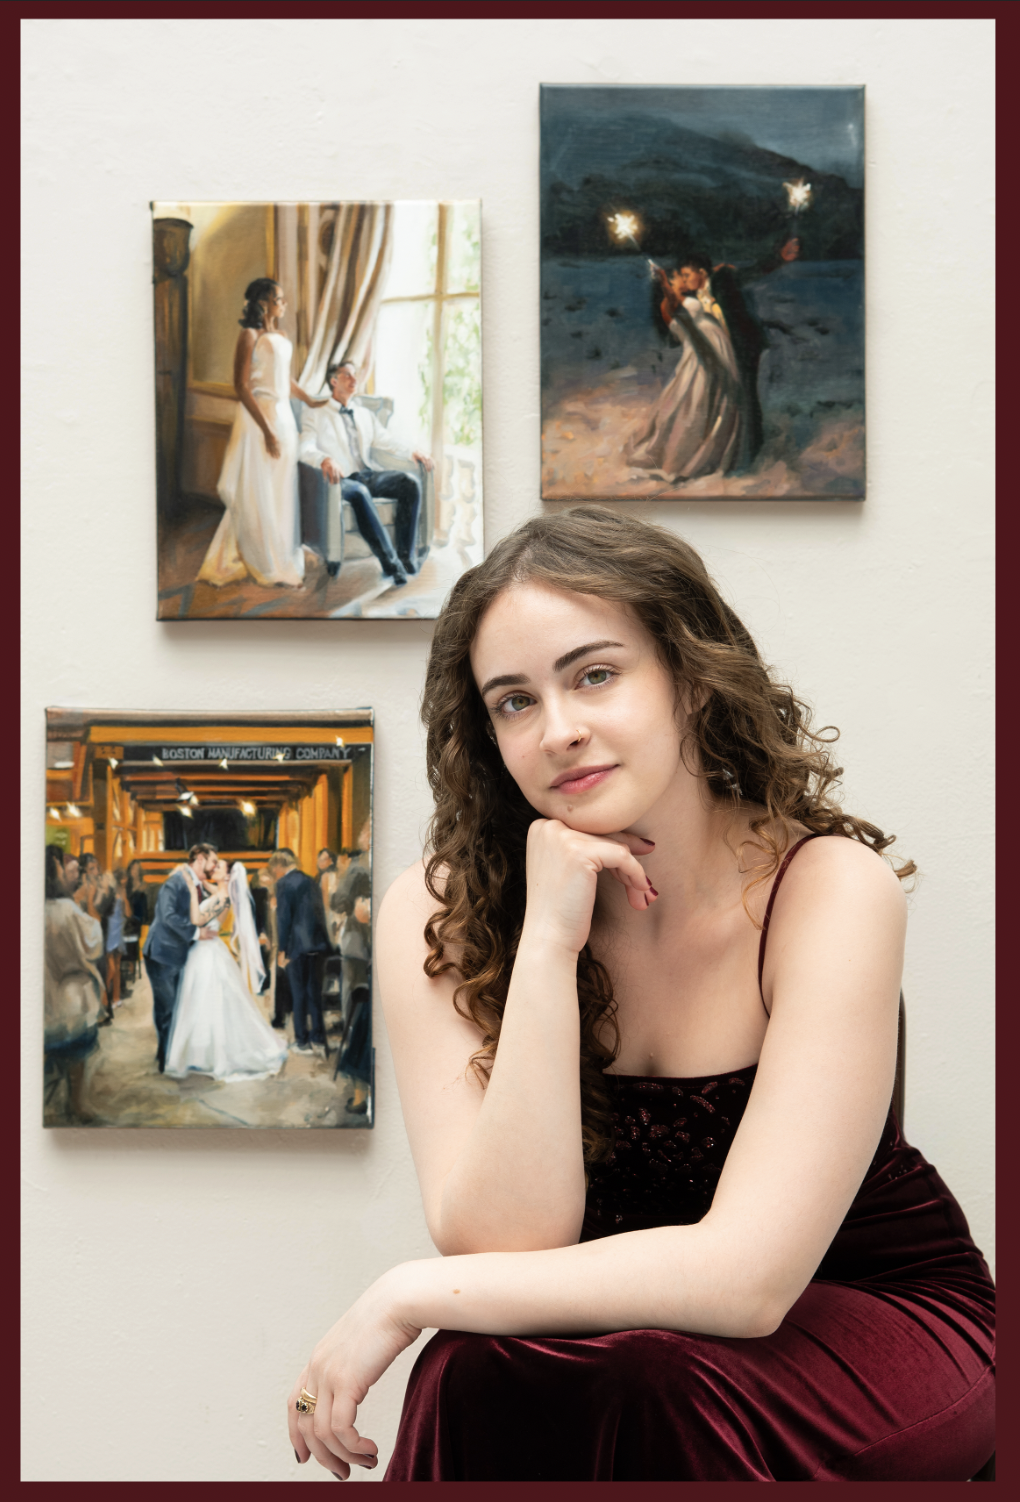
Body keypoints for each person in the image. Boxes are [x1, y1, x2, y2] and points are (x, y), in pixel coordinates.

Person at [287, 509, 994, 1483]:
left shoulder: (825, 888)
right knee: (468, 1368)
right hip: (629, 1335)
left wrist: (407, 1292)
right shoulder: (434, 912)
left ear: (691, 675)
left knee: (647, 1376)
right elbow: (504, 1243)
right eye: (514, 701)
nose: (559, 728)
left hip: (868, 1309)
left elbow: (748, 1281)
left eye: (595, 674)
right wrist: (546, 944)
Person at [198, 279, 327, 588]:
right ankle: (263, 558)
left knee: (281, 489)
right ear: (263, 303)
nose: (283, 304)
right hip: (259, 419)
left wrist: (308, 399)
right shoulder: (249, 335)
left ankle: (281, 551)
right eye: (278, 299)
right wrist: (267, 429)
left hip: (283, 418)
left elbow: (285, 379)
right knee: (259, 490)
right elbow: (241, 386)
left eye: (282, 298)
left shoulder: (279, 335)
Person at [298, 359, 434, 587]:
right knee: (360, 492)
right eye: (347, 375)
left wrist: (413, 451)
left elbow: (386, 441)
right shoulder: (316, 414)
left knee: (409, 483)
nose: (354, 379)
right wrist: (324, 459)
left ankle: (405, 557)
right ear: (333, 381)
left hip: (367, 474)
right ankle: (391, 564)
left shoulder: (363, 414)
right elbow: (304, 448)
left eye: (355, 375)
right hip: (339, 480)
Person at [626, 256, 747, 482]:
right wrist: (663, 281)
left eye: (684, 275)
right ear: (670, 284)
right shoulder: (669, 302)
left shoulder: (688, 297)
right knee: (693, 402)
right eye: (677, 277)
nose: (682, 278)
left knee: (716, 398)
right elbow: (676, 306)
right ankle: (687, 455)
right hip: (701, 354)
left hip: (715, 348)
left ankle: (714, 448)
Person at [164, 860, 286, 1082]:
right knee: (201, 1001)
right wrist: (197, 882)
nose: (213, 869)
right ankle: (202, 1053)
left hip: (207, 952)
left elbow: (197, 919)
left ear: (228, 876)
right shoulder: (222, 893)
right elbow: (210, 889)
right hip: (207, 950)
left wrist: (192, 892)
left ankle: (209, 1055)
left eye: (218, 868)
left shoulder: (222, 898)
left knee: (208, 1001)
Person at [143, 842, 225, 1072]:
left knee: (179, 1007)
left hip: (180, 954)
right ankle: (165, 1059)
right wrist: (196, 933)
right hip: (162, 954)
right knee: (167, 1008)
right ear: (199, 858)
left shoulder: (197, 884)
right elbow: (168, 917)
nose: (214, 866)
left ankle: (173, 1055)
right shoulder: (175, 882)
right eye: (212, 862)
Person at [44, 847, 105, 1124]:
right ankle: (77, 1103)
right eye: (61, 869)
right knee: (77, 1055)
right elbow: (93, 944)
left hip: (44, 995)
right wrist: (89, 904)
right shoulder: (65, 910)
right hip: (71, 998)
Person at [269, 849, 330, 1058]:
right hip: (317, 943)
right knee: (314, 992)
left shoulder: (284, 884)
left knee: (298, 993)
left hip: (296, 946)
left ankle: (302, 1040)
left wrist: (282, 949)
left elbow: (284, 920)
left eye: (274, 869)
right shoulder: (310, 880)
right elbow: (319, 912)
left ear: (279, 866)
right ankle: (319, 1038)